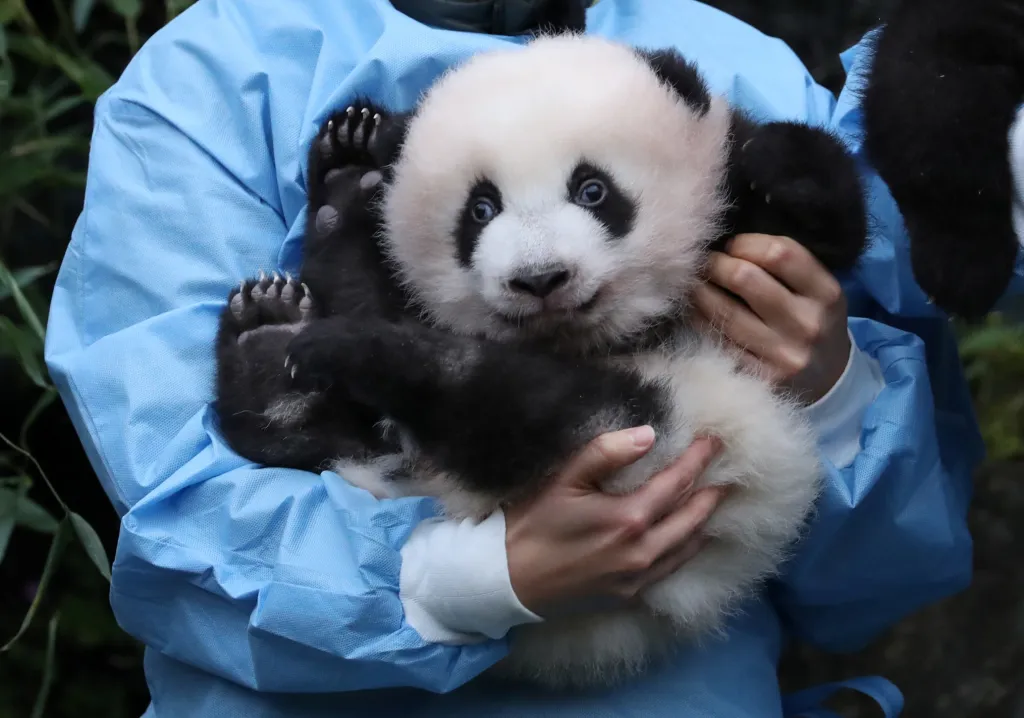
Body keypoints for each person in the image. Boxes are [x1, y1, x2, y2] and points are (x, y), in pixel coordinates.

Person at [43, 1, 985, 716]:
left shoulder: (719, 62)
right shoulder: (226, 69)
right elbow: (170, 491)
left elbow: (873, 576)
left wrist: (827, 390)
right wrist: (467, 579)